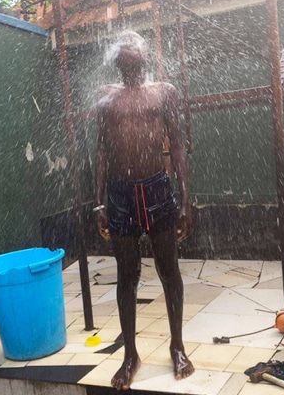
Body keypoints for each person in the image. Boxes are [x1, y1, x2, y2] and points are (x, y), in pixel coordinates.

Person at [93, 31, 195, 391]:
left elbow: (179, 146)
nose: (127, 47)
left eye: (134, 43)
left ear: (145, 57)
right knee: (126, 276)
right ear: (116, 59)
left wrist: (185, 198)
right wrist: (99, 202)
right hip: (119, 195)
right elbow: (102, 151)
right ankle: (130, 355)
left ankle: (178, 345)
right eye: (122, 44)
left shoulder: (163, 92)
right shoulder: (106, 98)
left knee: (169, 270)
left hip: (156, 188)